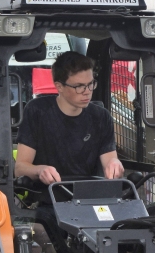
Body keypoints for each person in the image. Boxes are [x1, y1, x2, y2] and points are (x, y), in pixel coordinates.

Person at [15, 51, 124, 185]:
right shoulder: (37, 111)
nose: (87, 91)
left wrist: (115, 164)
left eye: (90, 84)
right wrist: (40, 170)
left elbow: (110, 160)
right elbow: (20, 168)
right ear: (59, 86)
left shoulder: (101, 117)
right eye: (79, 86)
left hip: (90, 195)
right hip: (48, 195)